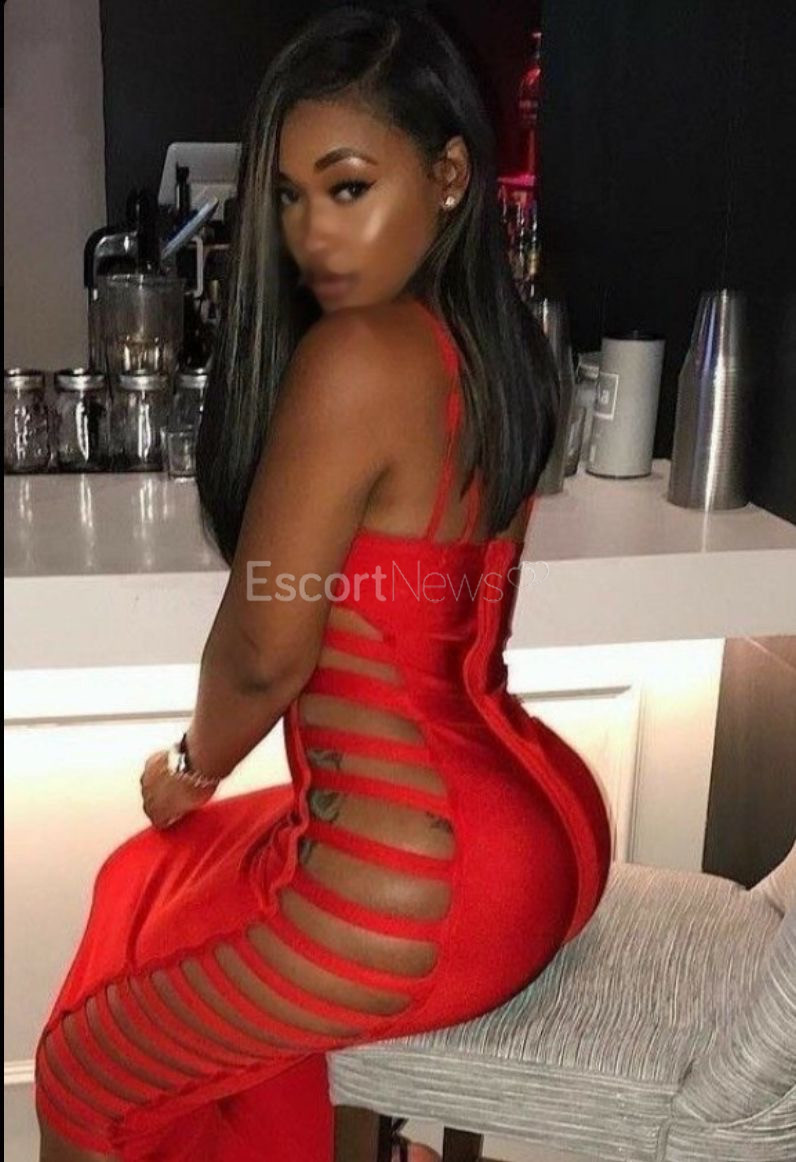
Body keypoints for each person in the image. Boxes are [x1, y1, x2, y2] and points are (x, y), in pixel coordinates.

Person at [34, 4, 613, 1160]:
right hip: (548, 833)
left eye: (347, 187)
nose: (313, 233)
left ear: (450, 174)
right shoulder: (491, 340)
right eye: (291, 197)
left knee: (82, 1075)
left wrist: (192, 766)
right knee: (153, 874)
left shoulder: (358, 354)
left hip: (411, 884)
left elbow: (265, 651)